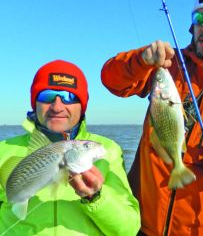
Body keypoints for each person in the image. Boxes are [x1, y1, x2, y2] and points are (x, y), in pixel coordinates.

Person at [101, 0, 203, 235]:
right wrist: (141, 60)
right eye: (199, 18)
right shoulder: (169, 66)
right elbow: (111, 80)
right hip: (145, 223)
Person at [0, 59, 140, 236]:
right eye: (47, 96)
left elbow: (128, 230)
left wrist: (96, 197)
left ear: (82, 106)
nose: (57, 107)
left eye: (69, 97)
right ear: (34, 102)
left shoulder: (109, 151)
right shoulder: (3, 150)